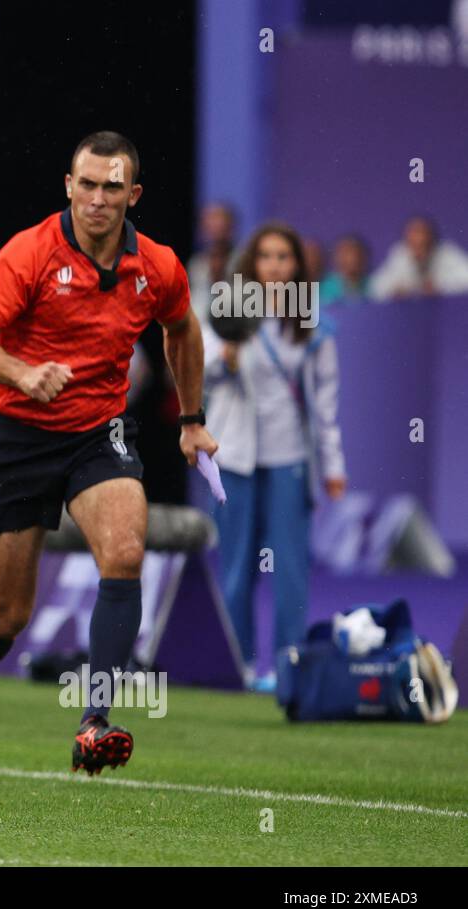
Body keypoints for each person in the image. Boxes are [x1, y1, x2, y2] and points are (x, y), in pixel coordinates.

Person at [0, 131, 217, 775]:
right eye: (86, 185)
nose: (97, 198)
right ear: (69, 186)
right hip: (17, 438)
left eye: (112, 187)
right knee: (10, 622)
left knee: (125, 552)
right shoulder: (29, 253)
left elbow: (182, 329)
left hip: (98, 431)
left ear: (134, 194)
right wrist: (21, 372)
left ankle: (95, 719)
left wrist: (193, 420)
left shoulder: (158, 266)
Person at [200, 221, 346, 692]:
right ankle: (237, 664)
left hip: (290, 459)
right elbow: (197, 375)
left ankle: (290, 666)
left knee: (290, 570)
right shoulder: (228, 309)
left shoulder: (313, 324)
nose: (276, 266)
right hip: (236, 455)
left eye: (285, 257)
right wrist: (226, 359)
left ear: (298, 267)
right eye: (267, 256)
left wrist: (334, 466)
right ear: (252, 263)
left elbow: (326, 405)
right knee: (237, 565)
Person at [370, 215, 468, 299]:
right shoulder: (401, 254)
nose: (419, 243)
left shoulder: (447, 253)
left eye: (424, 244)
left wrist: (440, 287)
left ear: (432, 239)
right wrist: (394, 290)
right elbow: (376, 287)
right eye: (414, 244)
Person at [319, 233, 370, 305]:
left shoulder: (373, 286)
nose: (352, 258)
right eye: (345, 252)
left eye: (356, 253)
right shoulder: (321, 288)